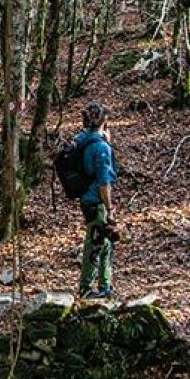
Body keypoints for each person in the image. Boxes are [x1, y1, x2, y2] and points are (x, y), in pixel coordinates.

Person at [76, 102, 118, 299]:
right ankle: (86, 288)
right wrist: (110, 208)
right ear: (105, 120)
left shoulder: (82, 139)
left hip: (86, 199)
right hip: (97, 202)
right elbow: (104, 182)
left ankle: (105, 286)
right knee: (96, 243)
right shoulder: (101, 148)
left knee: (105, 242)